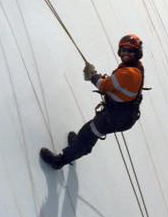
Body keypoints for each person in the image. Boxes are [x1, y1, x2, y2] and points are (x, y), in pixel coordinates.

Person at [40, 34, 145, 170]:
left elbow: (104, 86)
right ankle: (78, 146)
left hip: (115, 118)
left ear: (137, 53)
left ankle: (60, 160)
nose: (125, 54)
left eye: (130, 51)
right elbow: (115, 84)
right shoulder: (136, 68)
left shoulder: (129, 72)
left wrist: (93, 75)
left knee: (86, 135)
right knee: (89, 133)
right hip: (121, 115)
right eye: (123, 50)